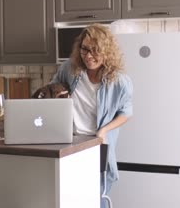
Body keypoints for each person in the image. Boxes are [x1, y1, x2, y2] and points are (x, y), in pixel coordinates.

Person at [50, 23, 133, 208]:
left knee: (95, 201)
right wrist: (58, 92)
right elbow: (54, 86)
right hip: (70, 145)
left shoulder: (119, 81)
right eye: (84, 49)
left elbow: (126, 112)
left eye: (95, 50)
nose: (88, 56)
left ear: (107, 50)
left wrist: (104, 130)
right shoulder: (70, 69)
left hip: (97, 147)